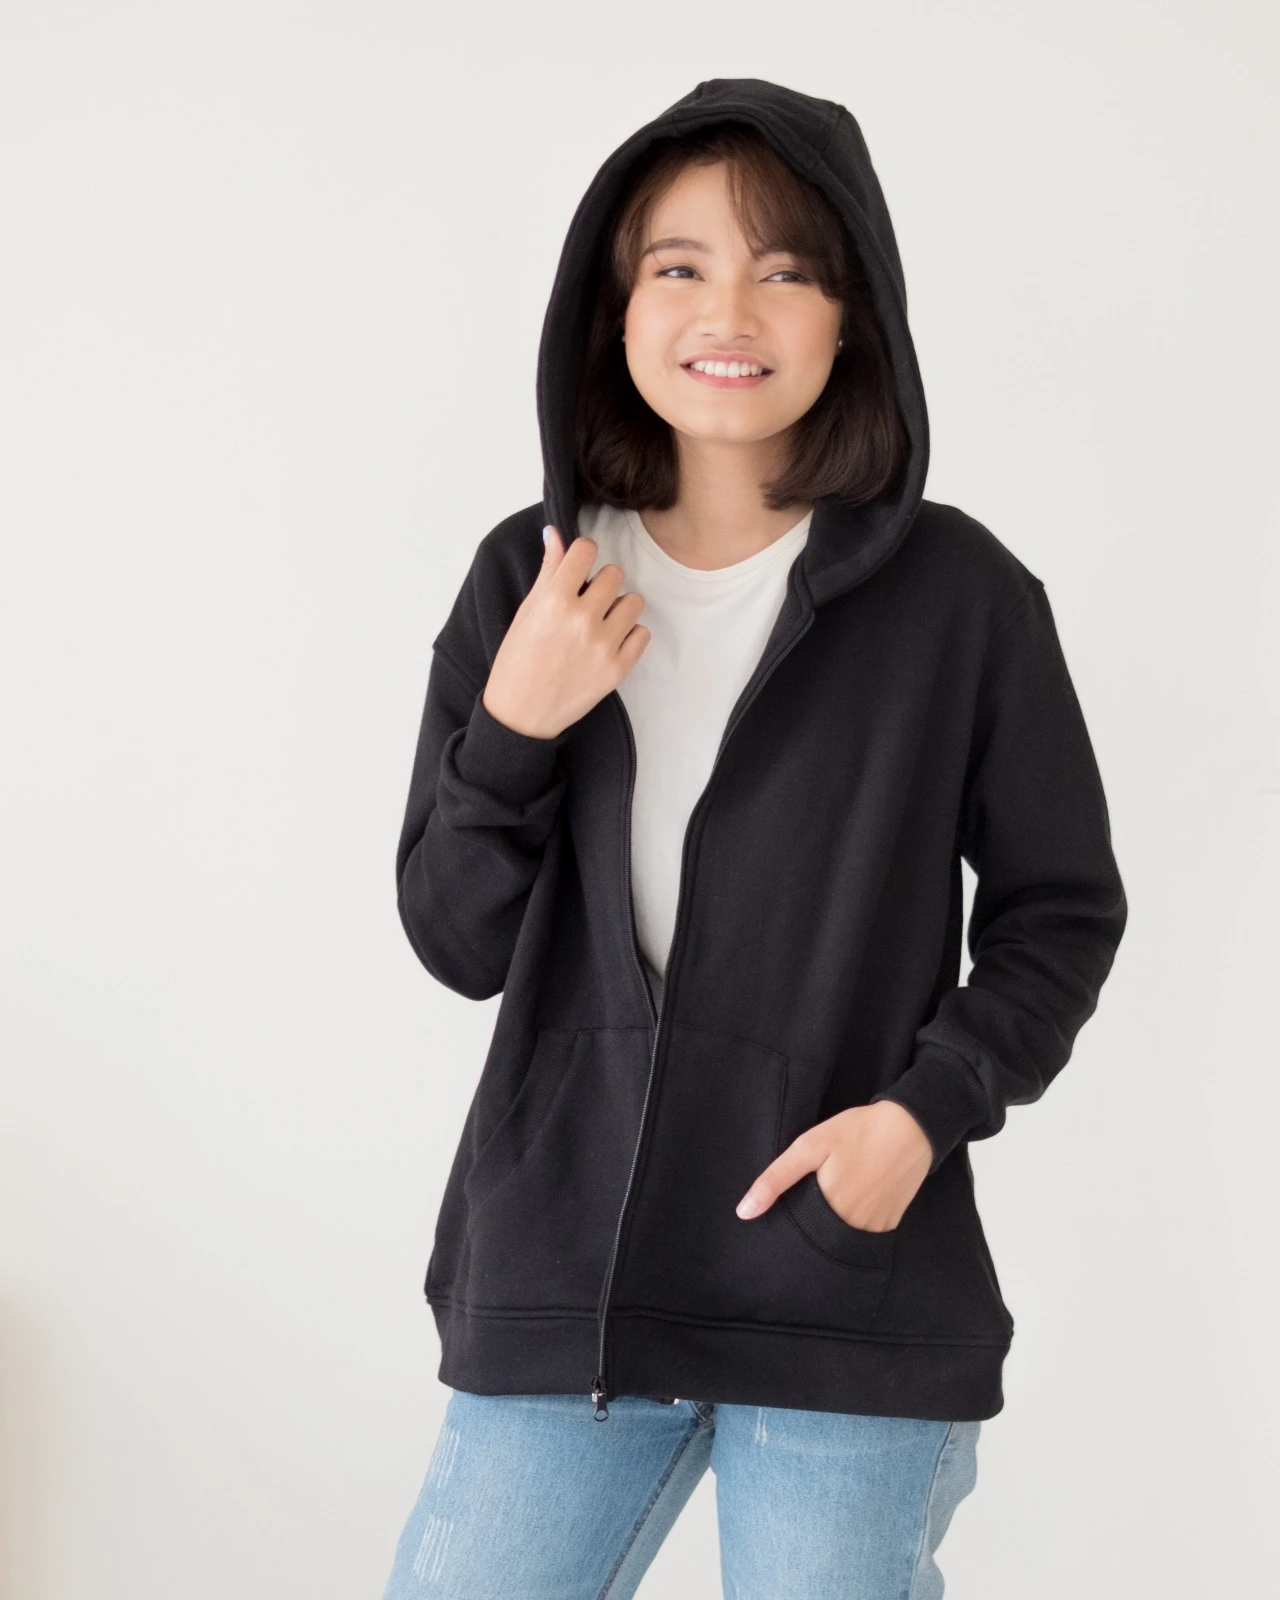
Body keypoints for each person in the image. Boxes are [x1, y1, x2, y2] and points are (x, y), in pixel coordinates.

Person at [381, 78, 1127, 1599]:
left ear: (855, 317)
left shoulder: (962, 600)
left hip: (845, 1291)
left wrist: (921, 1116)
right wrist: (516, 722)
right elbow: (456, 939)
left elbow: (1061, 911)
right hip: (566, 1288)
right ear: (615, 306)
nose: (731, 310)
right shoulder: (530, 582)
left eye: (787, 268)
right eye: (682, 265)